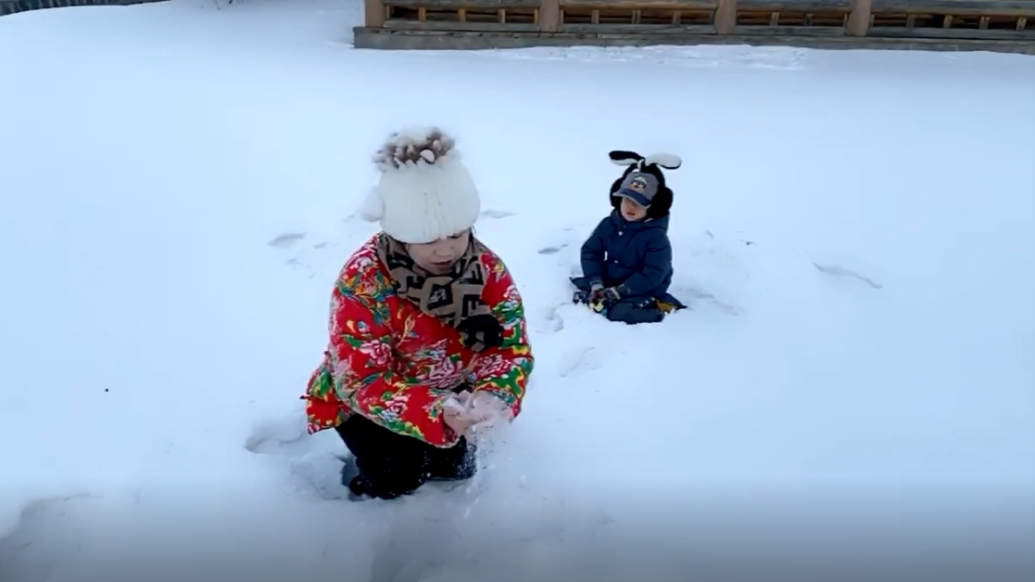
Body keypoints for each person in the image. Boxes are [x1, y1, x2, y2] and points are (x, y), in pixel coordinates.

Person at [302, 127, 535, 500]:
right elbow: (362, 380)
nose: (446, 250)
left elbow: (509, 349)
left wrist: (495, 394)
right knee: (400, 475)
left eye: (457, 234)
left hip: (450, 388)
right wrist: (433, 410)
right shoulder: (364, 283)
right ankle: (371, 483)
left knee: (456, 466)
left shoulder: (486, 269)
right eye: (427, 239)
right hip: (372, 402)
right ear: (399, 233)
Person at [571, 150, 687, 324]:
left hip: (644, 288)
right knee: (587, 293)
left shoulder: (656, 237)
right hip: (612, 281)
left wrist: (622, 291)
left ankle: (659, 310)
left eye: (639, 203)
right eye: (626, 199)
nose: (630, 207)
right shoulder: (608, 224)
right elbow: (590, 251)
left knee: (618, 312)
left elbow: (654, 273)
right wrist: (596, 283)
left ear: (653, 207)